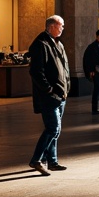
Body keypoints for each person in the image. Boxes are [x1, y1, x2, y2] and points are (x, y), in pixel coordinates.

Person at [27, 15, 70, 175]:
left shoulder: (57, 44)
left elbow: (64, 68)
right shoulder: (41, 44)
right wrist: (49, 90)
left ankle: (52, 161)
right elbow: (36, 71)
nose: (62, 29)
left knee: (55, 130)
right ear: (51, 26)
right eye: (61, 26)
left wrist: (66, 87)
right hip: (49, 96)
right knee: (53, 128)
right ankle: (36, 160)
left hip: (60, 95)